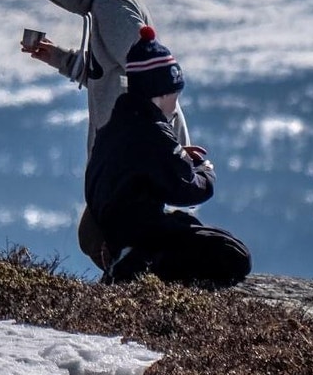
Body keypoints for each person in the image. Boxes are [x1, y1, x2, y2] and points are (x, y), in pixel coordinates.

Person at [15, 0, 189, 264]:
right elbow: (108, 74)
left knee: (101, 235)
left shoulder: (111, 6)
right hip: (132, 148)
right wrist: (60, 58)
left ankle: (139, 286)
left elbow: (150, 76)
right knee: (102, 235)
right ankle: (139, 283)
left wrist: (151, 142)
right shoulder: (106, 1)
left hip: (132, 151)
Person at [84, 26, 250, 287]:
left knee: (187, 224)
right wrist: (205, 169)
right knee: (235, 254)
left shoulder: (114, 126)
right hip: (139, 233)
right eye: (175, 95)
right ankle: (138, 264)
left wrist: (179, 156)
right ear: (160, 93)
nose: (175, 103)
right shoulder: (153, 131)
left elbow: (141, 169)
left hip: (114, 229)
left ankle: (133, 259)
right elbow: (188, 191)